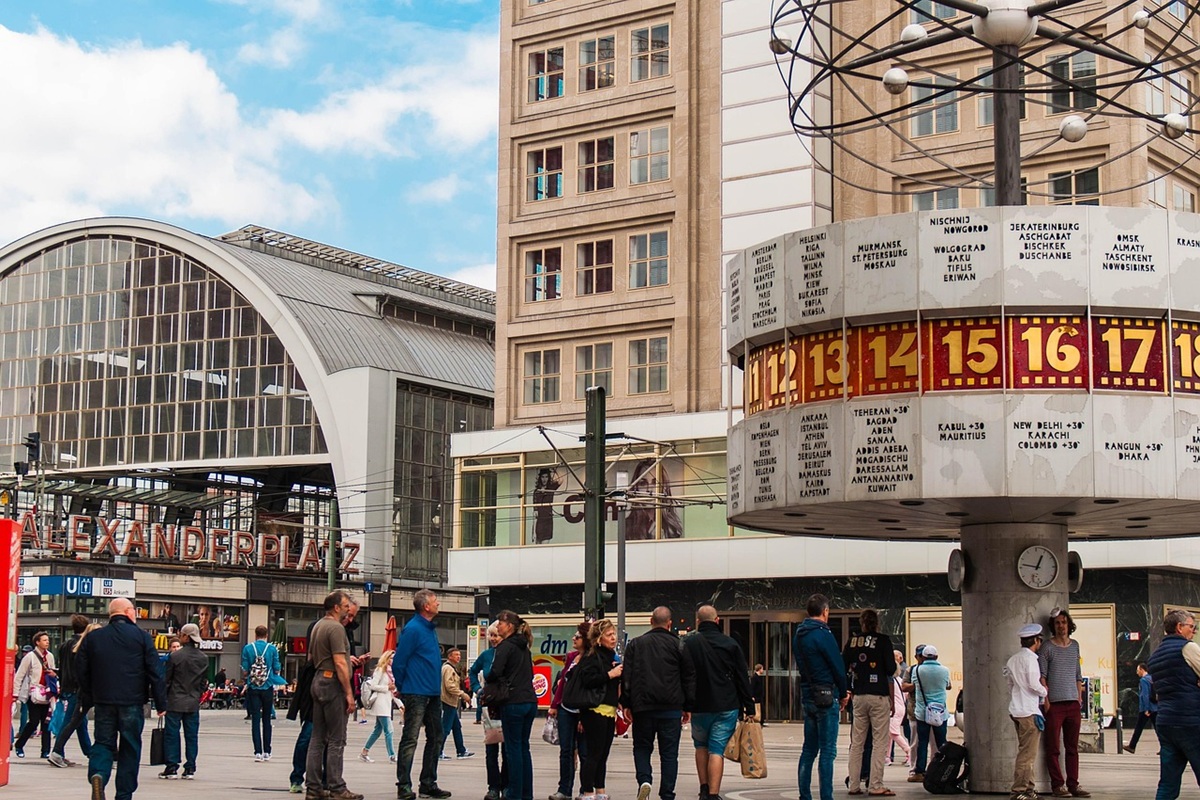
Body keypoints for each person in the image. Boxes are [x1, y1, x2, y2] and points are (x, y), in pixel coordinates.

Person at [77, 597, 167, 800]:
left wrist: (89, 696)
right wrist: (161, 702)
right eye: (134, 610)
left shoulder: (94, 637)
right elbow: (156, 671)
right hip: (132, 701)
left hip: (103, 701)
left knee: (103, 742)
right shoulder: (142, 637)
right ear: (128, 612)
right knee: (130, 747)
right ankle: (124, 794)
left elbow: (81, 669)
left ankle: (99, 774)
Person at [623, 606, 695, 800]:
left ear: (651, 621)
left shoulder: (636, 644)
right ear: (670, 623)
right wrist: (688, 706)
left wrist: (626, 703)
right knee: (669, 754)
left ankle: (644, 780)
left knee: (642, 748)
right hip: (671, 708)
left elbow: (627, 676)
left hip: (643, 708)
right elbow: (688, 677)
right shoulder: (679, 645)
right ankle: (667, 793)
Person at [684, 605, 755, 800]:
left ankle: (704, 789)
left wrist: (684, 704)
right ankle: (714, 794)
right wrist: (749, 706)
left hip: (698, 705)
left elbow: (684, 675)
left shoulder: (689, 644)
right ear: (717, 621)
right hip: (726, 704)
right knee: (716, 750)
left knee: (700, 746)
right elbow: (742, 677)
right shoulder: (730, 644)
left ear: (698, 621)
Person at [393, 588, 451, 800]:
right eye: (435, 601)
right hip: (416, 691)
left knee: (436, 737)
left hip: (432, 692)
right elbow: (399, 662)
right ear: (426, 606)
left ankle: (428, 783)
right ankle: (404, 785)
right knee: (411, 738)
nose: (438, 604)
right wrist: (404, 686)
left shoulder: (427, 628)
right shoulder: (414, 629)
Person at [305, 590, 363, 800]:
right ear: (336, 608)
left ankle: (313, 788)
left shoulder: (318, 626)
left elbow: (311, 657)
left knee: (317, 738)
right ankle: (337, 787)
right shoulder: (336, 628)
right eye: (346, 606)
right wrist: (349, 693)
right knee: (337, 739)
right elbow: (339, 662)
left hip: (318, 680)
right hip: (333, 684)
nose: (348, 609)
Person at [794, 593, 848, 800]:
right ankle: (826, 796)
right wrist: (843, 692)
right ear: (825, 611)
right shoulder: (823, 634)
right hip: (826, 694)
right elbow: (837, 665)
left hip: (808, 694)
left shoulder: (799, 635)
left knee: (809, 749)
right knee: (828, 751)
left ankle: (805, 795)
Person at [1146, 608, 1200, 800]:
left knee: (1168, 784)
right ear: (1179, 627)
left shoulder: (1155, 656)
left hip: (1166, 722)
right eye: (1192, 627)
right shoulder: (1188, 648)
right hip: (1191, 720)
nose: (1194, 631)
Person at [842, 608, 896, 796]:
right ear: (877, 623)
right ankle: (875, 785)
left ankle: (853, 784)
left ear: (861, 623)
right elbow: (891, 669)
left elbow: (843, 666)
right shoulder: (883, 641)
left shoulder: (852, 642)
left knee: (857, 743)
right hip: (878, 696)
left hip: (859, 696)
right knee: (879, 742)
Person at [488, 609, 538, 800]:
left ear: (509, 626)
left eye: (500, 623)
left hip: (512, 701)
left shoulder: (506, 646)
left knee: (513, 749)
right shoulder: (524, 647)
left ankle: (514, 794)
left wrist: (490, 678)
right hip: (529, 700)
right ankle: (526, 793)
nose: (498, 626)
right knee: (524, 748)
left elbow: (495, 671)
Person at [571, 617, 623, 800]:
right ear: (599, 638)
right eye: (609, 635)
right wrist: (610, 674)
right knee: (594, 752)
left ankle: (600, 789)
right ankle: (587, 791)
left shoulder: (611, 657)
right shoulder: (592, 656)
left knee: (603, 753)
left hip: (609, 710)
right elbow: (589, 680)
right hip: (594, 710)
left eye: (614, 634)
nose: (613, 638)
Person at [1039, 607, 1089, 798]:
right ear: (1053, 626)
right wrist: (1046, 701)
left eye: (1064, 622)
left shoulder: (1075, 646)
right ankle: (1057, 785)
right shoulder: (1047, 647)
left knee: (1072, 747)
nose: (1061, 626)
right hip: (1054, 704)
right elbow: (1042, 676)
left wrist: (1079, 698)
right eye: (1058, 623)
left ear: (1069, 625)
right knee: (1053, 747)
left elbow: (1078, 674)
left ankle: (1073, 784)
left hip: (1072, 703)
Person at [159, 623, 209, 780]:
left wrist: (163, 699)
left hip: (175, 700)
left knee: (172, 735)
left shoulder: (175, 657)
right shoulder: (203, 658)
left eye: (181, 634)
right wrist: (197, 694)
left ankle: (172, 767)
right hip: (193, 702)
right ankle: (190, 768)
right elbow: (203, 682)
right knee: (191, 735)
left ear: (186, 637)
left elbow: (167, 680)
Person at [1005, 623, 1047, 800]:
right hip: (1029, 711)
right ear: (1036, 640)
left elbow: (1010, 684)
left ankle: (1029, 789)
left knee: (1026, 751)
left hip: (1016, 709)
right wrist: (1044, 691)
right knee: (1027, 755)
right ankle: (1019, 790)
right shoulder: (1031, 660)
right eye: (1040, 640)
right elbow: (1033, 684)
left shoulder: (1012, 660)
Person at [50, 615, 94, 767]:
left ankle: (89, 752)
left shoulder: (64, 645)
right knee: (70, 721)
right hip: (77, 688)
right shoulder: (82, 645)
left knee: (79, 722)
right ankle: (57, 752)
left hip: (66, 686)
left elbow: (62, 667)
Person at [472, 623, 508, 800]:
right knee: (491, 748)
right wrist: (478, 689)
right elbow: (472, 672)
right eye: (491, 635)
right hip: (491, 705)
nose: (493, 639)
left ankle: (506, 786)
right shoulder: (486, 655)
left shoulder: (510, 654)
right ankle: (493, 787)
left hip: (507, 704)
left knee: (508, 749)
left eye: (496, 635)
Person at [909, 643, 951, 784]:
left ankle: (920, 771)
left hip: (922, 712)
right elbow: (948, 686)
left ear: (923, 657)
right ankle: (942, 769)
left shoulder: (917, 670)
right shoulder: (945, 670)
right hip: (940, 713)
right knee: (941, 743)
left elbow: (914, 685)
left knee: (922, 742)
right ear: (936, 656)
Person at [242, 624, 284, 762]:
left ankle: (258, 752)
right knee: (267, 719)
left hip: (253, 687)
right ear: (266, 635)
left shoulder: (248, 648)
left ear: (255, 635)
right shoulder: (272, 649)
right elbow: (277, 668)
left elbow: (245, 671)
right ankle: (267, 751)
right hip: (268, 686)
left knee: (255, 719)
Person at [14, 630, 57, 759]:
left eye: (48, 640)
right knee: (33, 721)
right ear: (37, 642)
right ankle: (19, 745)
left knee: (46, 722)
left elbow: (52, 672)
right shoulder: (30, 657)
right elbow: (20, 675)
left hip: (46, 692)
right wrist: (16, 693)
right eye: (44, 640)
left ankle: (45, 751)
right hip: (33, 692)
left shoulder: (50, 656)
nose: (47, 642)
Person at [360, 651, 398, 762]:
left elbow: (393, 691)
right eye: (391, 658)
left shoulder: (392, 672)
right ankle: (392, 755)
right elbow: (373, 685)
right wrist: (387, 688)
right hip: (380, 703)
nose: (393, 660)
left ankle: (364, 751)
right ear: (386, 658)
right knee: (389, 730)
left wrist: (399, 704)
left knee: (378, 730)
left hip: (387, 702)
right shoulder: (380, 670)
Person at [439, 649, 474, 759]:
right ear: (450, 656)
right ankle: (438, 751)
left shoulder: (450, 668)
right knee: (446, 727)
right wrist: (462, 694)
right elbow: (449, 686)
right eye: (456, 655)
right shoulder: (448, 669)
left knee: (456, 727)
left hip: (451, 702)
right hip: (448, 701)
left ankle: (461, 750)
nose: (459, 657)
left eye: (459, 655)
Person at [1126, 662, 1157, 755]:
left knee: (1138, 728)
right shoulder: (1151, 678)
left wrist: (1146, 709)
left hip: (1146, 708)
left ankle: (1132, 746)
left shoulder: (1143, 680)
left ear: (1142, 670)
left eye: (1138, 670)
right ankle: (1165, 747)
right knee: (1158, 729)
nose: (1137, 672)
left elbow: (1145, 695)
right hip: (1155, 707)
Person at [885, 672, 911, 769]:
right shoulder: (900, 680)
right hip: (901, 707)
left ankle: (909, 751)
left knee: (893, 732)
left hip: (894, 708)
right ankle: (887, 757)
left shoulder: (889, 681)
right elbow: (906, 695)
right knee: (889, 733)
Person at [532, 468, 561, 544]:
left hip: (548, 520)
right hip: (539, 521)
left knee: (545, 544)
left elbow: (560, 480)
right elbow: (535, 511)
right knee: (538, 544)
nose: (544, 479)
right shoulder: (537, 491)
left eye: (546, 477)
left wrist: (555, 471)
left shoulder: (550, 489)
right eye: (542, 477)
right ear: (540, 478)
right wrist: (533, 532)